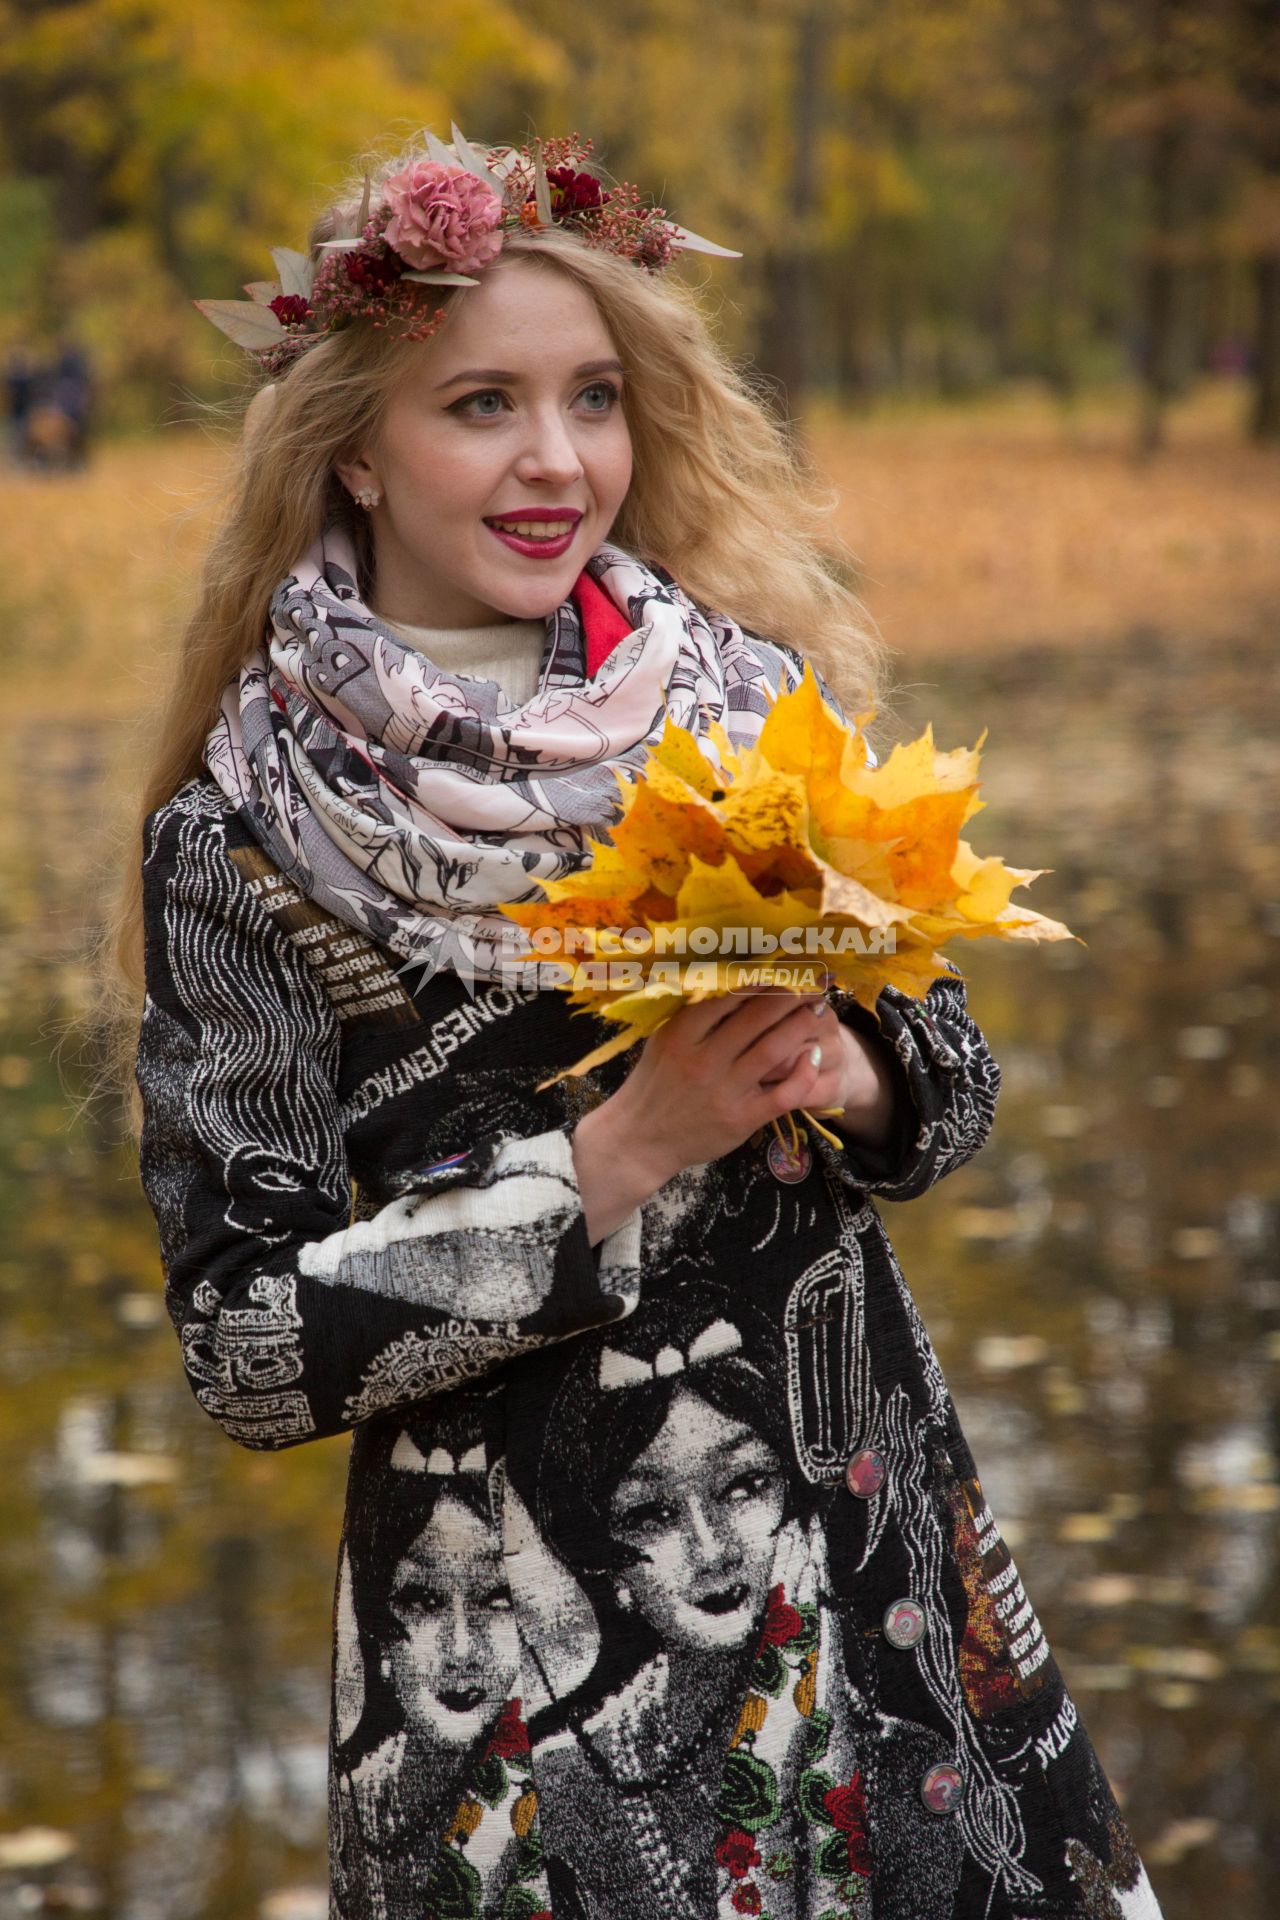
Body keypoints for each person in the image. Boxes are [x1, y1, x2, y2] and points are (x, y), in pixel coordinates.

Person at [121, 129, 1164, 1918]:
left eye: (594, 397)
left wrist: (853, 1068)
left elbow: (958, 1085)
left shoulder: (744, 711)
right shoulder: (241, 835)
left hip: (876, 1584)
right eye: (483, 407)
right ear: (354, 445)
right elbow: (244, 1344)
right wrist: (602, 1164)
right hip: (511, 1672)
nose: (557, 462)